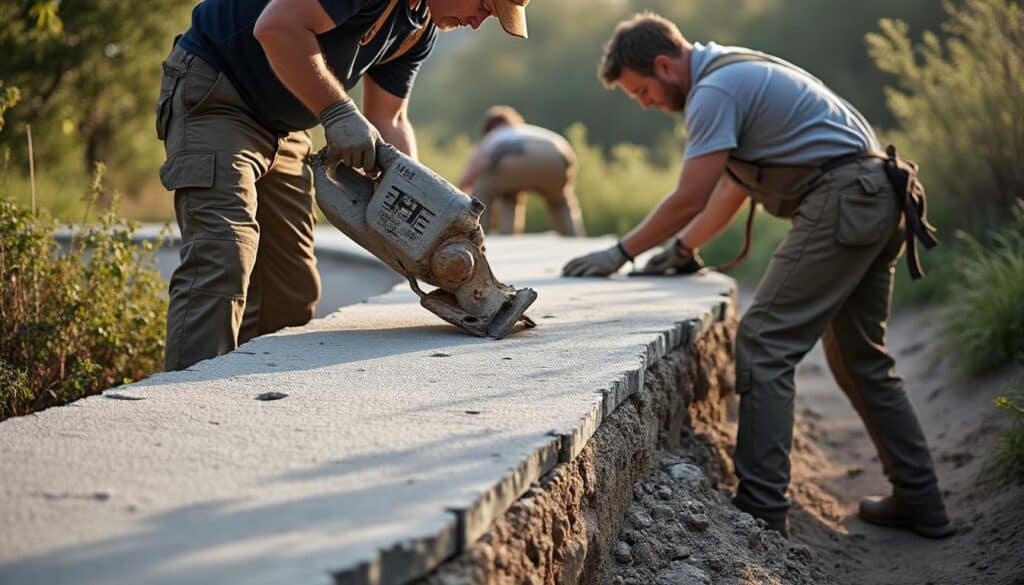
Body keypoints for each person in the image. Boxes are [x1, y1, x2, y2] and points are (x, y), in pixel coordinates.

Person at [562, 12, 951, 539]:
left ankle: (762, 509)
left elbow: (690, 196)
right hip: (875, 197)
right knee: (861, 359)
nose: (646, 103)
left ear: (663, 65)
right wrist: (681, 249)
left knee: (764, 341)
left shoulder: (713, 91)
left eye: (643, 91)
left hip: (843, 199)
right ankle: (921, 500)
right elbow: (730, 188)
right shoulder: (731, 71)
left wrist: (620, 252)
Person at [156, 0, 532, 371]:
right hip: (218, 95)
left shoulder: (417, 26)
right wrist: (337, 112)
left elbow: (390, 118)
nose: (479, 22)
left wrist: (431, 227)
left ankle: (244, 396)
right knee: (222, 252)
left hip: (282, 128)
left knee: (289, 290)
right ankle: (187, 408)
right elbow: (276, 27)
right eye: (484, 6)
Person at [457, 105, 585, 236]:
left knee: (484, 185)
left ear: (490, 128)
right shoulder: (528, 130)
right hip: (558, 156)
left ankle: (477, 235)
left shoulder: (493, 136)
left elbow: (470, 174)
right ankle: (574, 237)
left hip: (515, 157)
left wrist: (457, 200)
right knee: (559, 201)